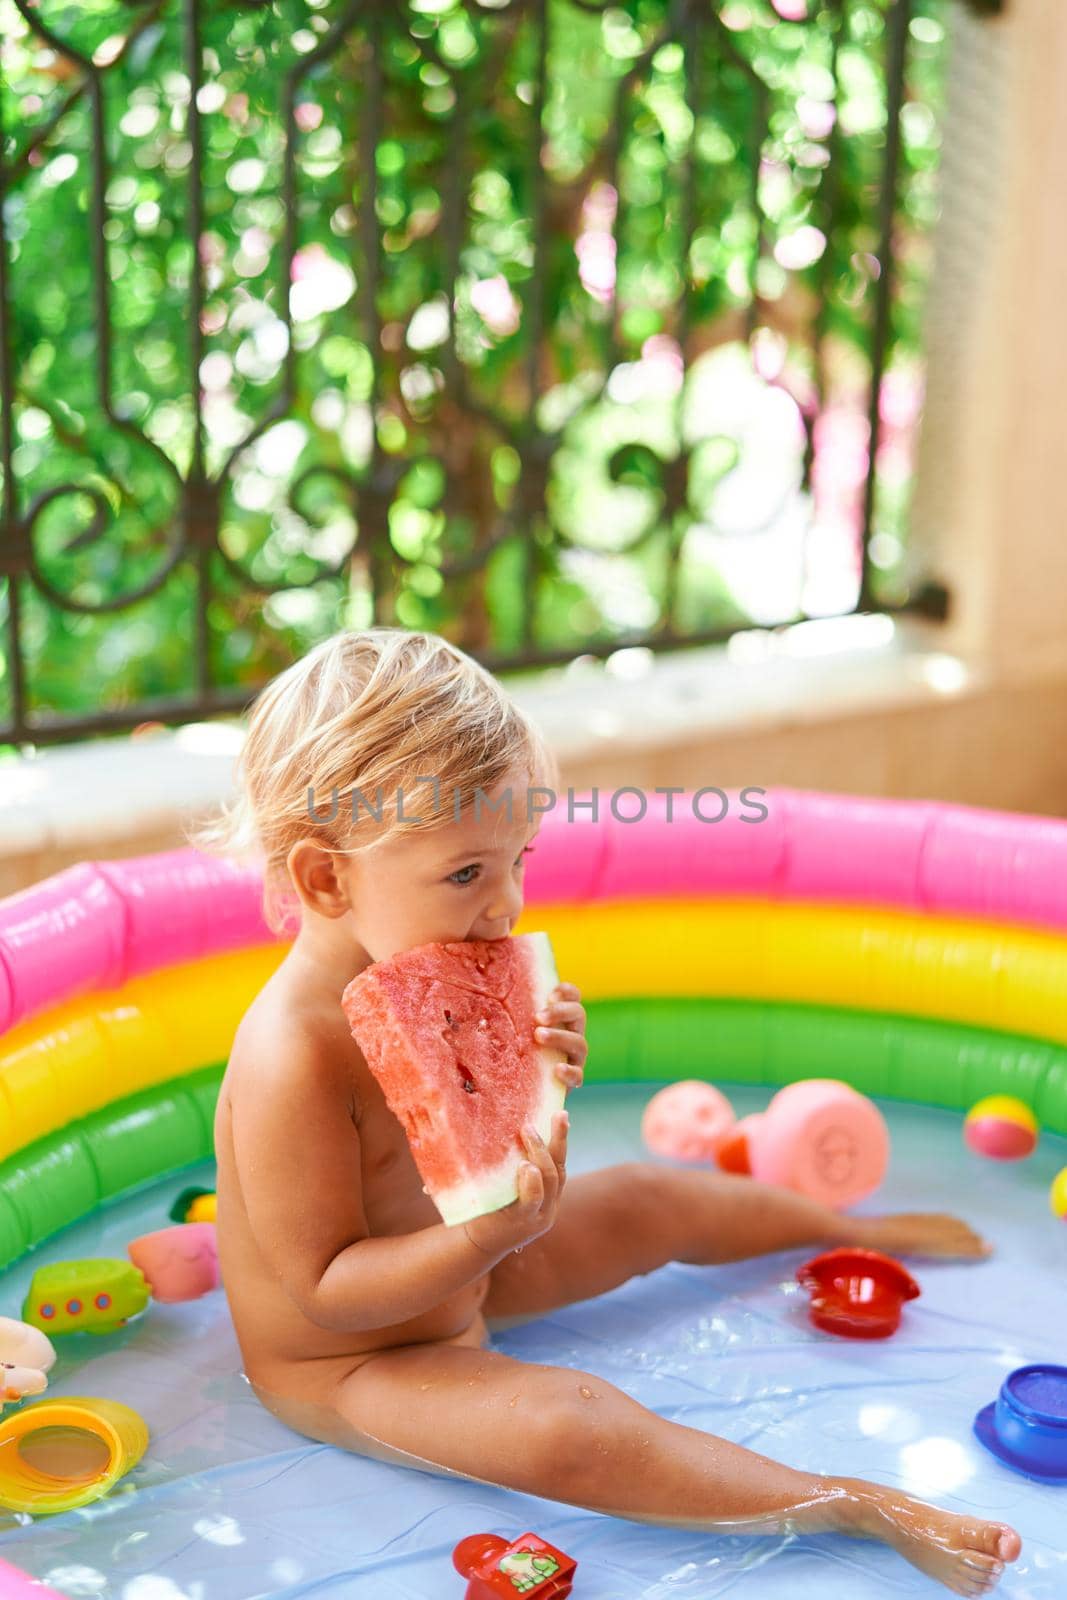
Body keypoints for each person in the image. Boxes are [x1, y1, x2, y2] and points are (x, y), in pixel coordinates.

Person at [195, 628, 1020, 1598]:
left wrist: (534, 1079)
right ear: (326, 878)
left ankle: (847, 1228)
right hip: (355, 1364)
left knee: (644, 1195)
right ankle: (850, 1501)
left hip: (473, 1269)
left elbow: (470, 1155)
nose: (505, 907)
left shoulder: (424, 967)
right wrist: (484, 1239)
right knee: (568, 1423)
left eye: (518, 860)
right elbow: (324, 1289)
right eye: (465, 873)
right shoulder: (291, 1052)